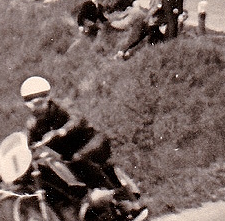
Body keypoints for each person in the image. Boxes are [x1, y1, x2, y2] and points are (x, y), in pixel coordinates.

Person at [19, 76, 138, 213]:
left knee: (79, 159)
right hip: (68, 157)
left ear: (47, 97)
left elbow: (77, 119)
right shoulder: (32, 125)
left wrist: (61, 131)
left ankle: (121, 197)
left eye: (40, 101)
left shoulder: (62, 106)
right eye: (31, 102)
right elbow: (27, 145)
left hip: (93, 142)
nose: (37, 107)